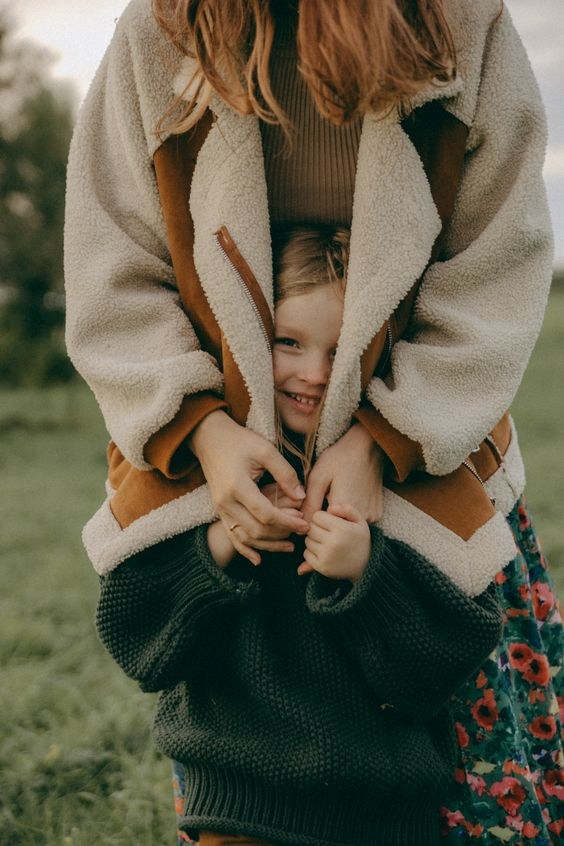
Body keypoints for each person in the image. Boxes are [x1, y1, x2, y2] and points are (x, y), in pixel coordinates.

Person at [63, 0, 562, 842]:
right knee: (245, 771)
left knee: (476, 800)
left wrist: (386, 438)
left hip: (429, 460)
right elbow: (111, 262)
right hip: (219, 466)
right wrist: (209, 435)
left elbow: (498, 264)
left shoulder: (461, 27)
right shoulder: (163, 32)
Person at [95, 225, 505, 845]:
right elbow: (138, 641)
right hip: (233, 807)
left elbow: (441, 664)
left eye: (342, 351)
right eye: (288, 341)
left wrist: (368, 573)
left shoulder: (408, 476)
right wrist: (217, 550)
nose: (314, 373)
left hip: (387, 812)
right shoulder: (211, 477)